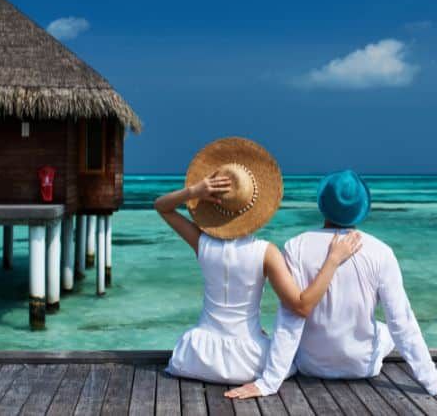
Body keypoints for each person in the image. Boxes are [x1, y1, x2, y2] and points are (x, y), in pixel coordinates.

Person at [226, 169, 437, 399]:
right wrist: (434, 382)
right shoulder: (380, 251)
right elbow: (402, 323)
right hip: (363, 367)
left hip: (311, 364)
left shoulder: (296, 246)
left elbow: (290, 318)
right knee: (387, 328)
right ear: (363, 207)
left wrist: (268, 382)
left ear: (322, 205)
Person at [154, 138, 362, 385]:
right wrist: (333, 260)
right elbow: (301, 306)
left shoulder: (202, 244)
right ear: (255, 207)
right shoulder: (266, 252)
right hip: (248, 362)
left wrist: (194, 192)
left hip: (196, 357)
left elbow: (162, 207)